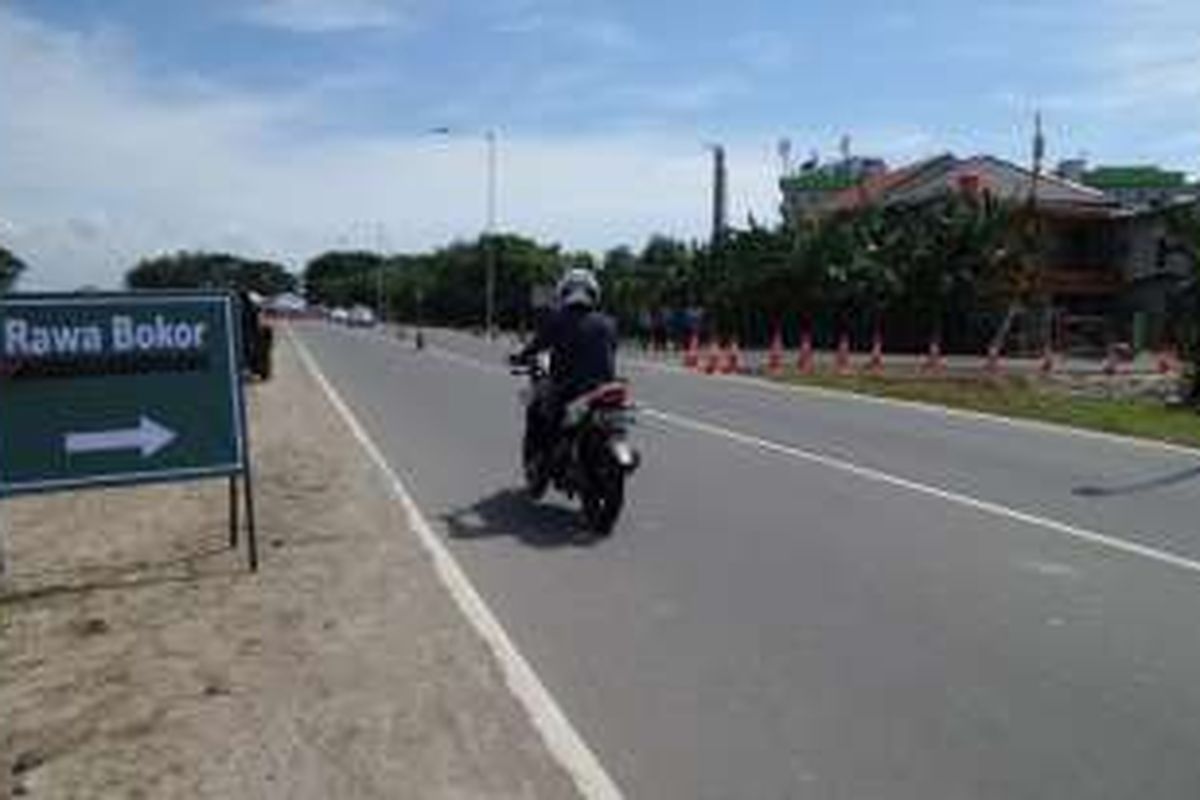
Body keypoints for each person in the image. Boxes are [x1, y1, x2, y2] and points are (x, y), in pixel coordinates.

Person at [511, 268, 618, 479]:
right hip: (605, 388)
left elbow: (537, 345)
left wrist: (520, 356)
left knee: (537, 409)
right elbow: (611, 350)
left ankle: (542, 460)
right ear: (593, 293)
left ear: (565, 292)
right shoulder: (608, 322)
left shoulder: (557, 319)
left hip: (570, 387)